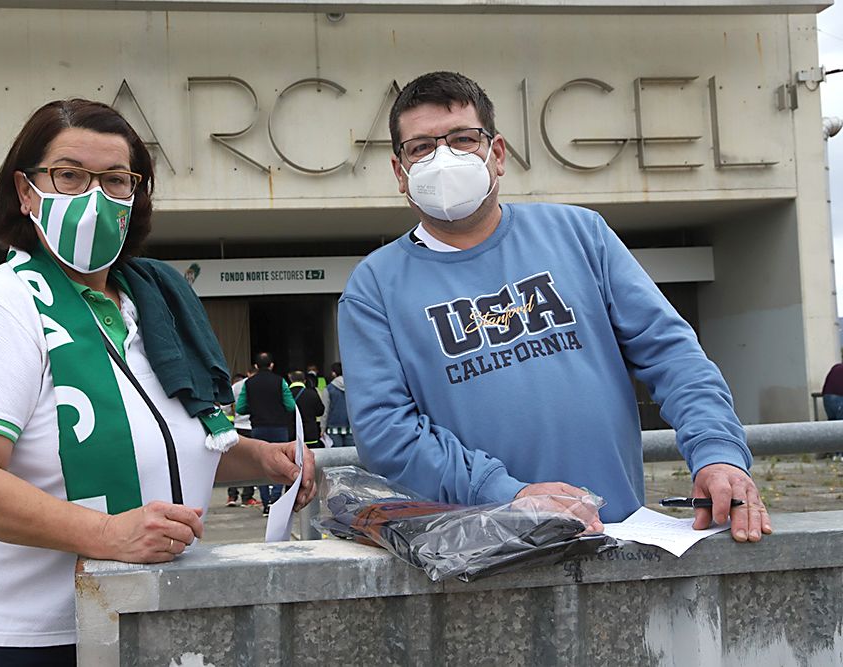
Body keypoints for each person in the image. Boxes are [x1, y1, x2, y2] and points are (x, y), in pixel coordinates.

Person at [0, 99, 316, 666]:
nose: (93, 197)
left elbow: (159, 444)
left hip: (124, 619)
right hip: (6, 636)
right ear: (26, 192)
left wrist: (264, 458)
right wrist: (106, 534)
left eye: (116, 180)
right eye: (69, 175)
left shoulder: (151, 305)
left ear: (134, 198)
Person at [337, 71, 771, 543]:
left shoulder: (580, 235)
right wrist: (509, 494)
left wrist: (717, 452)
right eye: (421, 148)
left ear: (496, 154)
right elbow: (387, 434)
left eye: (463, 139)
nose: (444, 158)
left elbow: (671, 353)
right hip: (479, 557)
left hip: (617, 538)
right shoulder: (374, 287)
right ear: (400, 172)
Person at [236, 352, 296, 515]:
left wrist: (255, 408)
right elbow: (290, 406)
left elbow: (240, 408)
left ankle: (265, 503)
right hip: (278, 427)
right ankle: (275, 499)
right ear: (271, 365)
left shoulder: (248, 383)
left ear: (255, 366)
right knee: (281, 463)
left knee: (261, 464)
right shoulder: (280, 381)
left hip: (258, 427)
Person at [226, 372, 260, 507]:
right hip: (253, 426)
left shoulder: (236, 386)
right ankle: (247, 496)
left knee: (234, 461)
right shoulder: (259, 385)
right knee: (252, 463)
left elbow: (226, 406)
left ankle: (232, 495)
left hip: (238, 426)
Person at [288, 370, 326, 448]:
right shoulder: (312, 393)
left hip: (291, 435)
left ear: (291, 379)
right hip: (310, 434)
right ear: (304, 381)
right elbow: (320, 411)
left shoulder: (285, 394)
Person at [322, 362, 354, 448]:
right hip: (351, 426)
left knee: (336, 457)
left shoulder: (328, 389)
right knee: (352, 457)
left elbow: (325, 410)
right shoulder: (353, 388)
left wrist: (322, 428)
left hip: (333, 427)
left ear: (333, 373)